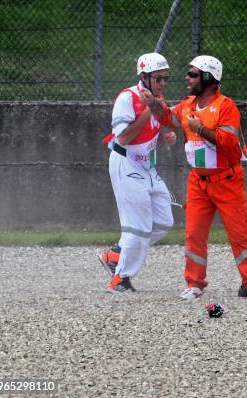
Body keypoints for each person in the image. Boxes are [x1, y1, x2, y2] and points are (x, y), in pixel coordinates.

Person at [146, 55, 247, 301]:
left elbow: (231, 146)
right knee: (194, 234)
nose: (187, 79)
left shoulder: (225, 107)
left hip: (227, 181)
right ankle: (194, 283)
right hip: (198, 182)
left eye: (193, 74)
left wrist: (200, 129)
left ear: (209, 78)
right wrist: (156, 106)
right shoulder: (188, 104)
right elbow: (169, 118)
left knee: (239, 235)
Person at [98, 52, 176, 293]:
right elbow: (123, 138)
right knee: (138, 227)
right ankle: (120, 279)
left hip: (147, 167)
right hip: (126, 163)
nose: (163, 84)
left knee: (164, 221)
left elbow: (159, 125)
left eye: (165, 79)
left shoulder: (158, 99)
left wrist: (165, 135)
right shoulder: (127, 98)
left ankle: (116, 254)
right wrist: (148, 109)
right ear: (144, 77)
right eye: (158, 79)